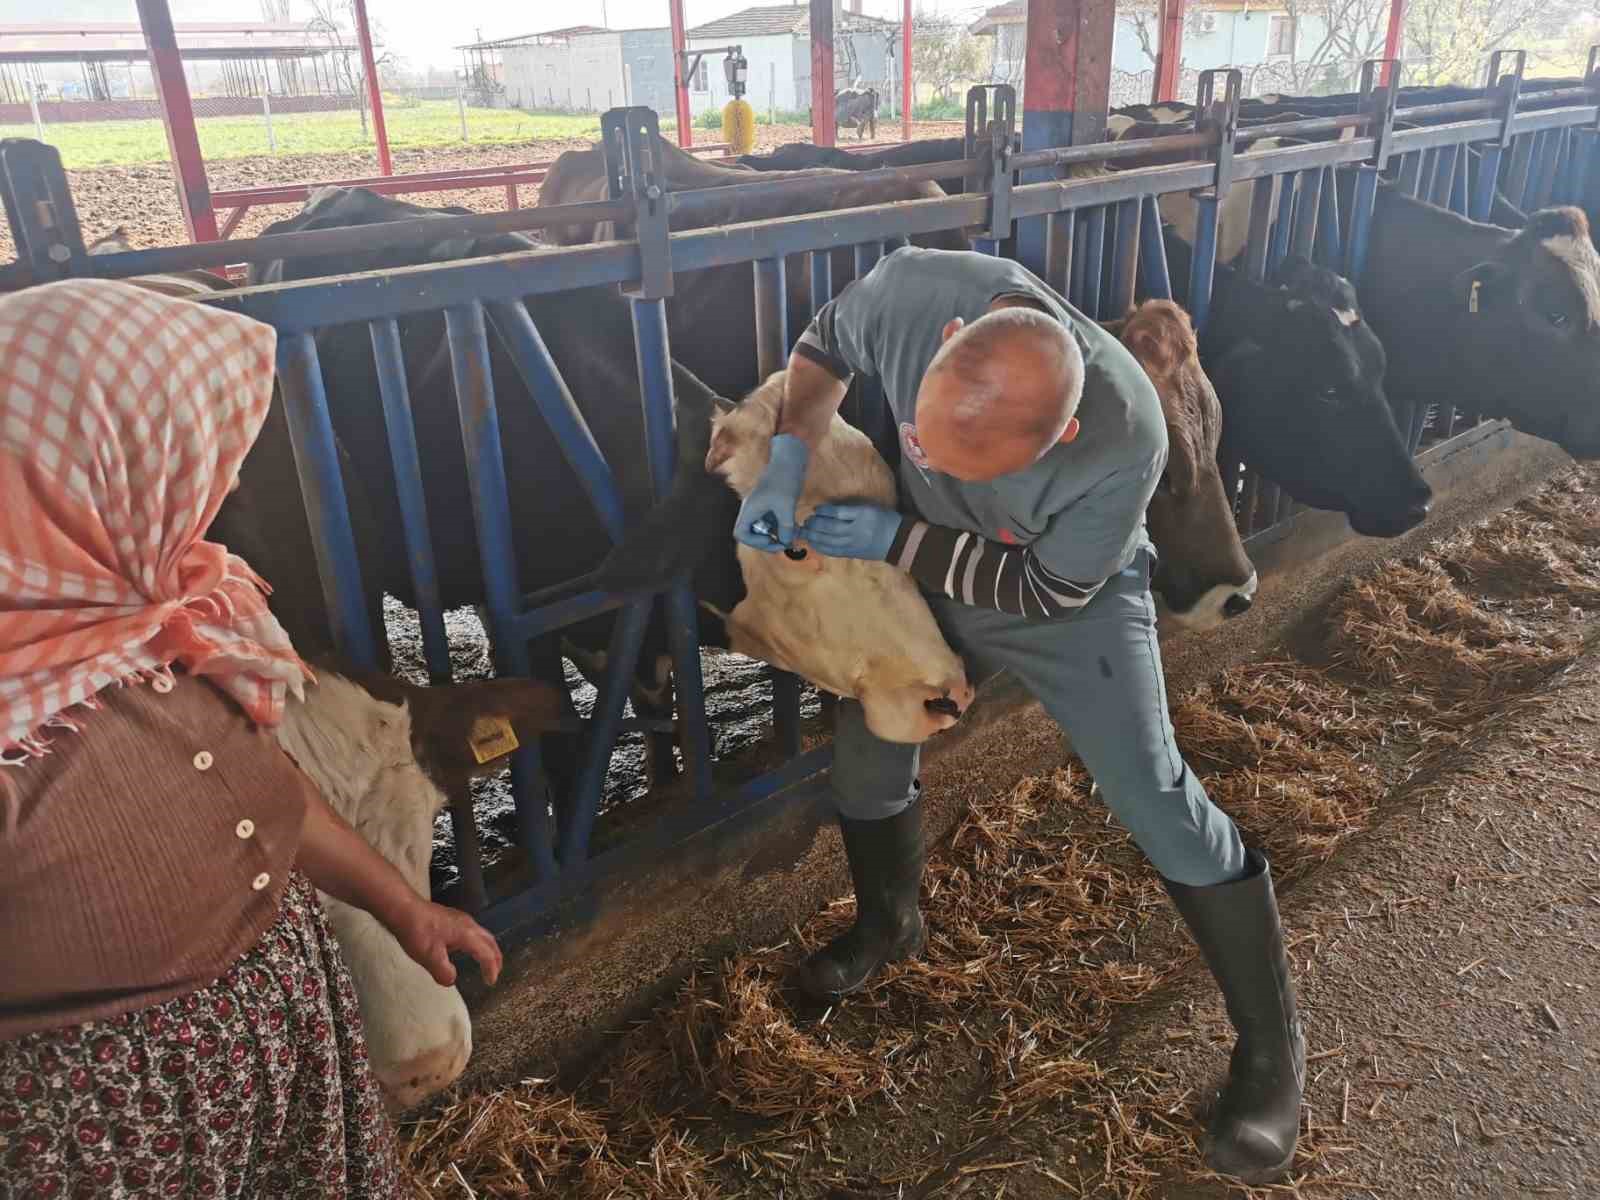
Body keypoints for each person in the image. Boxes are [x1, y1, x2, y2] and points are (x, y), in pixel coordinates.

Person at [735, 247, 1303, 1185]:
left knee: (1153, 792)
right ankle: (890, 923)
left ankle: (1271, 1053)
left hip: (1063, 594)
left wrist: (897, 538)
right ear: (947, 343)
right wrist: (784, 462)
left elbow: (1043, 583)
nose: (956, 465)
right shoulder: (914, 294)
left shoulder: (1128, 435)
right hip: (929, 556)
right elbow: (823, 345)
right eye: (933, 438)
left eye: (993, 462)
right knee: (874, 737)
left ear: (1066, 429)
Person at [0, 279, 502, 1199]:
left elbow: (260, 784)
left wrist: (403, 906)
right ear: (73, 472)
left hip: (285, 1050)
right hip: (110, 1133)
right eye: (192, 456)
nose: (228, 487)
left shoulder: (175, 611)